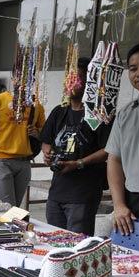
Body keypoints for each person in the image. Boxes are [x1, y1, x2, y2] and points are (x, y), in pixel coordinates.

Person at [39, 57, 112, 236]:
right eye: (68, 79)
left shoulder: (99, 114)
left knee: (76, 247)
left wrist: (78, 163)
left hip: (83, 195)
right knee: (54, 244)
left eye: (76, 79)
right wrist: (48, 154)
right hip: (57, 192)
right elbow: (46, 141)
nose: (70, 84)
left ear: (90, 82)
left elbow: (107, 150)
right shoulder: (59, 111)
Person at [0, 80, 46, 207]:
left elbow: (46, 132)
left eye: (28, 79)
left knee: (15, 208)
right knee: (6, 206)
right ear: (12, 79)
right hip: (1, 161)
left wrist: (37, 133)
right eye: (18, 77)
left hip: (25, 162)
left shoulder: (36, 105)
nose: (22, 82)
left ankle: (13, 226)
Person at [106, 43, 139, 236]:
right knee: (130, 264)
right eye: (133, 69)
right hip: (133, 203)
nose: (138, 74)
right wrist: (119, 205)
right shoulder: (125, 115)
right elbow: (114, 159)